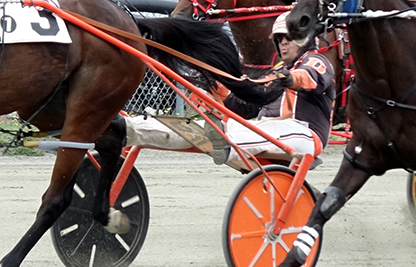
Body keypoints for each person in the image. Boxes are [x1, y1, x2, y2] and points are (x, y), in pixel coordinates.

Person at [123, 12, 336, 166]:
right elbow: (246, 106)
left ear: (305, 39)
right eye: (279, 39)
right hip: (270, 130)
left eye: (288, 38)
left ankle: (222, 139)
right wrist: (216, 90)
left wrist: (292, 78)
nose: (283, 43)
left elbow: (313, 76)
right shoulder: (277, 72)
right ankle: (130, 130)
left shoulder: (315, 60)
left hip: (305, 134)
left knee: (232, 133)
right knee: (227, 127)